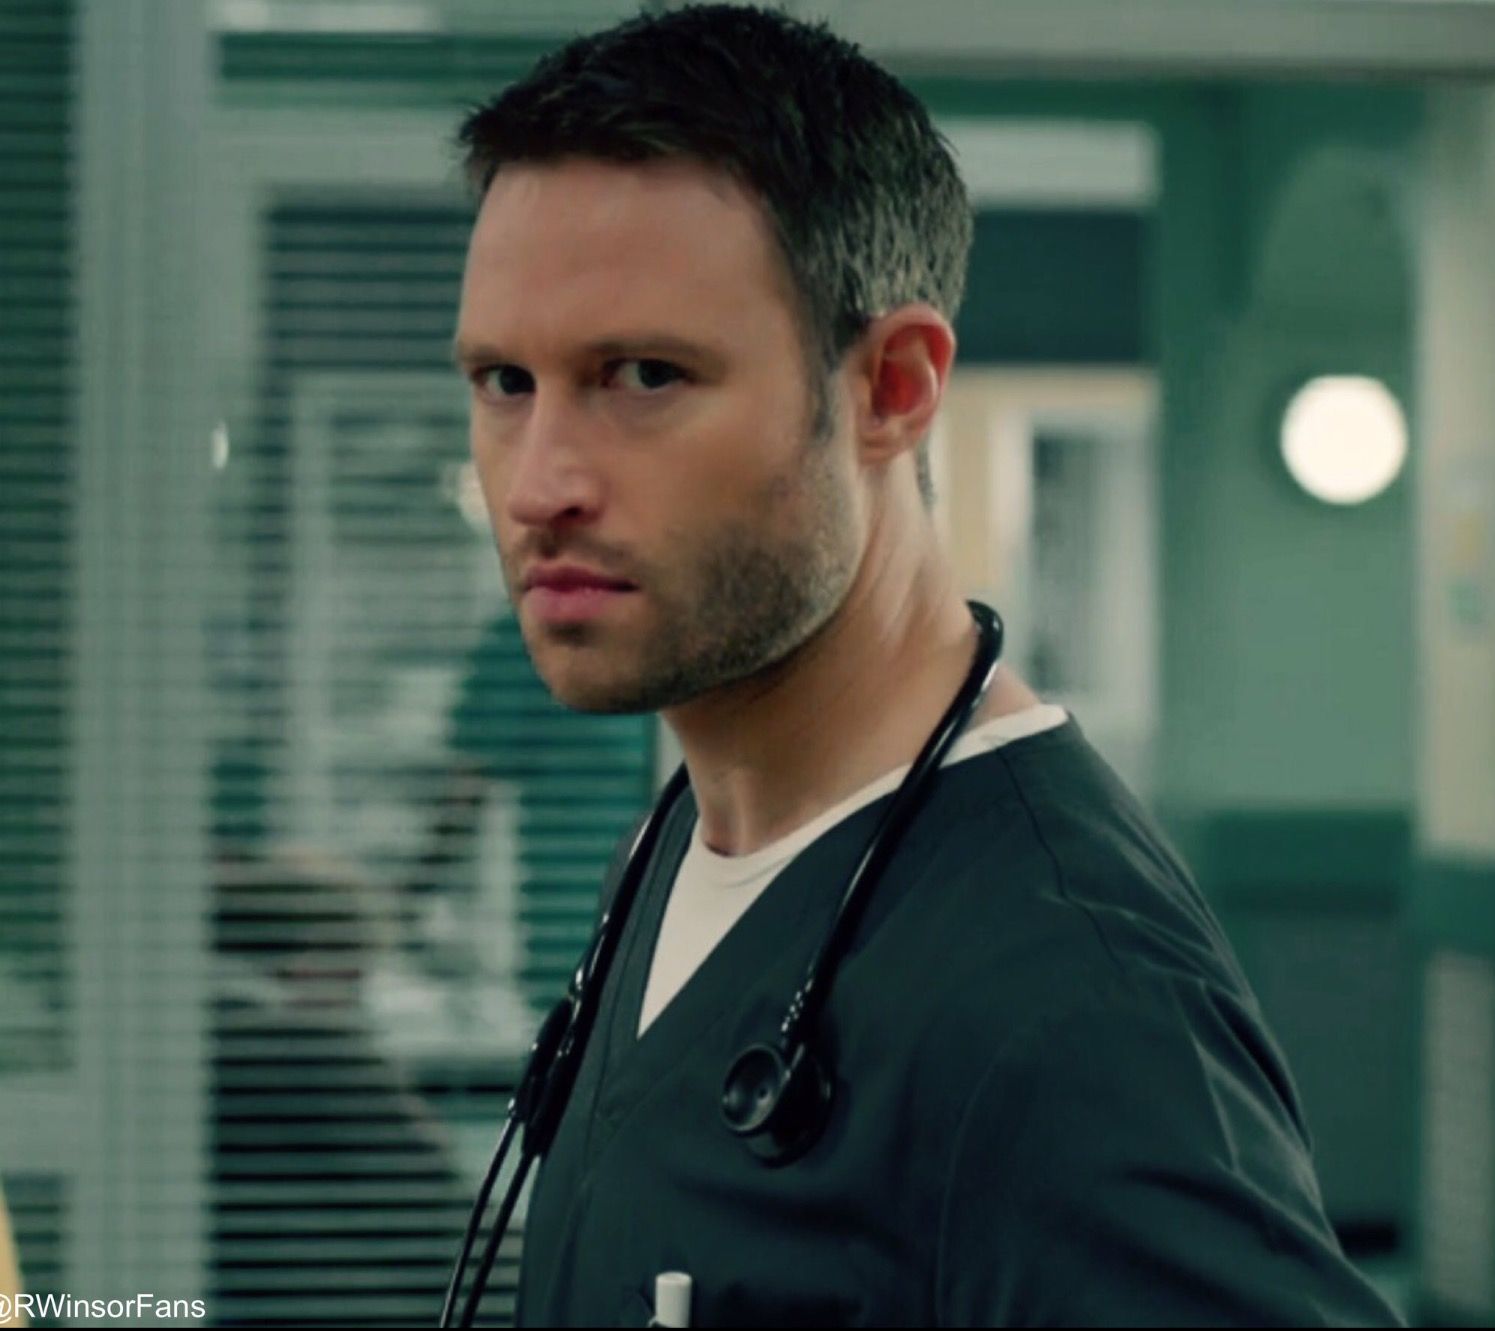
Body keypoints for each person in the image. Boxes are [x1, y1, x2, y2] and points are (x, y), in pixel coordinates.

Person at [449, 4, 1403, 1324]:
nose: (537, 483)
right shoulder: (687, 843)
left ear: (891, 389)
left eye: (646, 374)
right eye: (505, 382)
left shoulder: (1069, 1006)